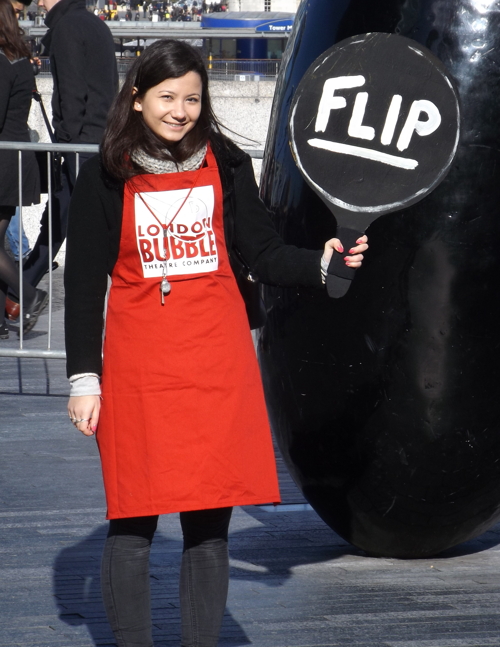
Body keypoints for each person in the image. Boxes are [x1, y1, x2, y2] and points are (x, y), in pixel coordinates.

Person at [64, 39, 369, 647]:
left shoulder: (227, 163)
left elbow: (261, 253)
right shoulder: (106, 172)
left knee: (209, 526)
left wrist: (322, 264)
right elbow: (80, 282)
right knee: (132, 520)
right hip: (139, 369)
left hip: (215, 363)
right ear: (138, 96)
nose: (180, 110)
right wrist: (83, 377)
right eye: (167, 97)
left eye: (192, 99)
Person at [21, 0, 118, 290]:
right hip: (97, 140)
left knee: (88, 225)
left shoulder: (66, 29)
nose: (40, 1)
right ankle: (21, 290)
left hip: (80, 145)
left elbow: (72, 94)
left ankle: (22, 291)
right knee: (60, 217)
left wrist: (64, 141)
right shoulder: (95, 25)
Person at [0, 0, 46, 339]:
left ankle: (29, 296)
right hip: (11, 161)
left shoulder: (3, 62)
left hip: (3, 162)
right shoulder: (17, 59)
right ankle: (3, 321)